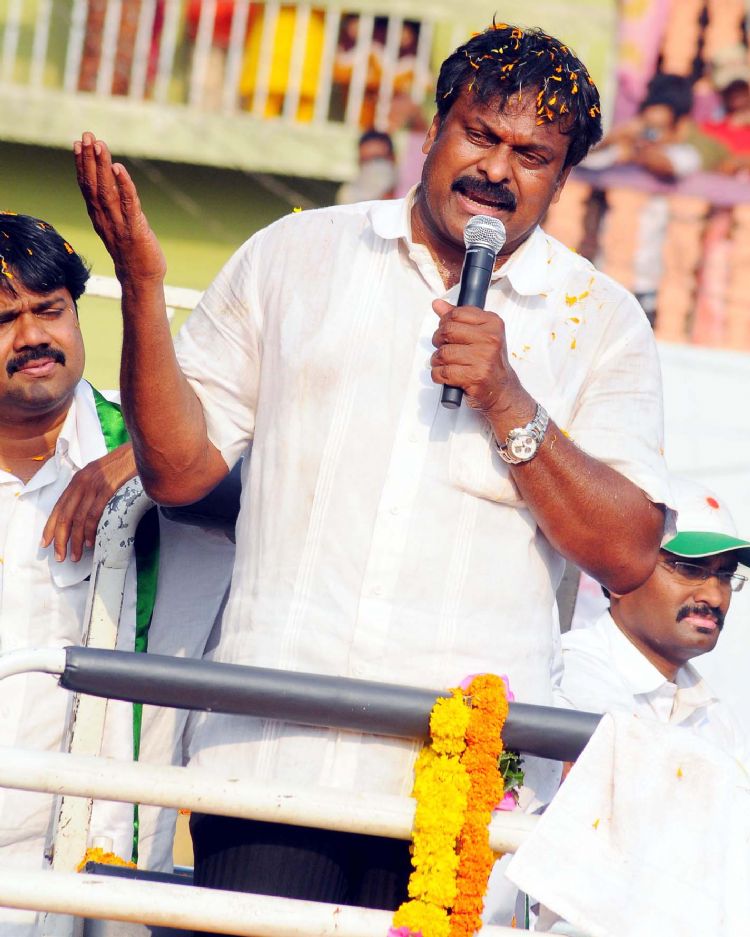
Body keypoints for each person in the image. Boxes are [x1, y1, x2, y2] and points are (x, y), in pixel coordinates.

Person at [74, 22, 672, 922]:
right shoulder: (297, 254)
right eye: (481, 135)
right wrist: (145, 292)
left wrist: (508, 399)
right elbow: (180, 470)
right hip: (270, 751)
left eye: (532, 156)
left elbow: (628, 553)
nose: (497, 171)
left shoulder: (602, 320)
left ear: (561, 179)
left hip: (462, 791)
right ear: (433, 129)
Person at [0, 213, 234, 934]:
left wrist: (141, 456)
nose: (32, 335)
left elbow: (262, 446)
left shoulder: (141, 457)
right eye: (4, 319)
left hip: (95, 863)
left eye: (50, 310)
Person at [556, 476, 749, 758]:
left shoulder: (716, 718)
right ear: (618, 574)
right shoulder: (569, 677)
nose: (715, 597)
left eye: (725, 575)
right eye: (689, 568)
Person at [583, 73, 729, 325]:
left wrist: (640, 150)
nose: (650, 135)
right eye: (647, 127)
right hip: (607, 274)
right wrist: (614, 139)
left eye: (657, 129)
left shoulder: (684, 153)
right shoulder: (624, 150)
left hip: (648, 286)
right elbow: (585, 161)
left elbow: (668, 164)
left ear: (679, 126)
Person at [335, 129, 398, 204]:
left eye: (378, 159)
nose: (371, 166)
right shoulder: (349, 195)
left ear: (393, 158)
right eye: (365, 160)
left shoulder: (407, 194)